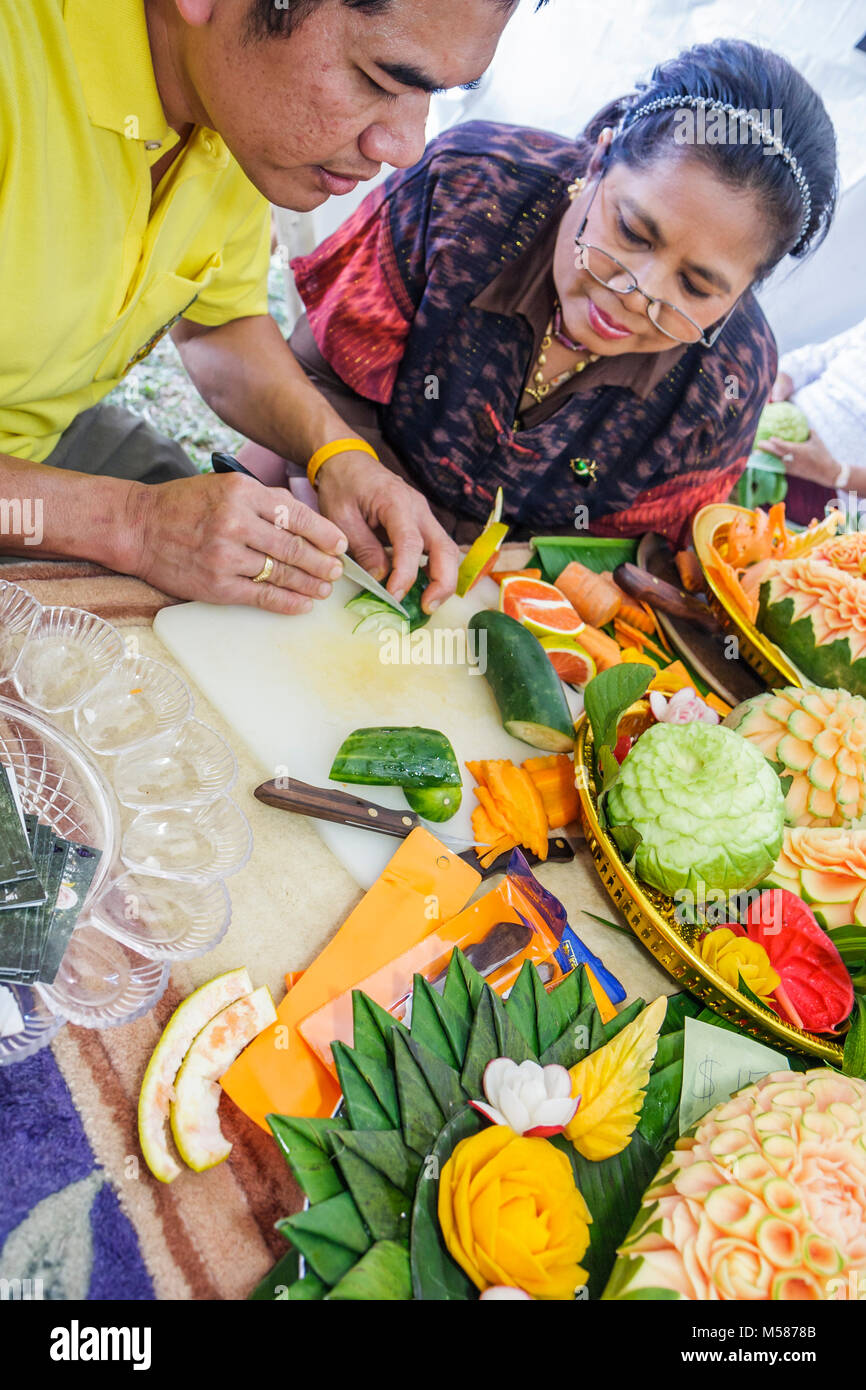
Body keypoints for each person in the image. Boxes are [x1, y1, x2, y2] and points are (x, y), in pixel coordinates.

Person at [0, 0, 537, 616]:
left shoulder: (227, 103)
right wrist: (131, 524)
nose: (406, 148)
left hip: (46, 437)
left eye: (436, 94)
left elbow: (218, 326)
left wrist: (337, 455)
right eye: (381, 79)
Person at [240, 38, 838, 550]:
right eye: (631, 231)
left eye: (697, 286)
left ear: (742, 296)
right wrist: (346, 471)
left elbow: (638, 555)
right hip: (322, 501)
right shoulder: (468, 189)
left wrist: (504, 576)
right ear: (600, 159)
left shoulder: (729, 382)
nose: (637, 294)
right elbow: (317, 373)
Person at [762, 316, 866, 526]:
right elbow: (813, 358)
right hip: (778, 417)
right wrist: (781, 382)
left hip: (827, 489)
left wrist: (834, 473)